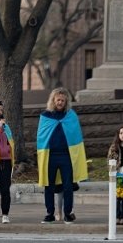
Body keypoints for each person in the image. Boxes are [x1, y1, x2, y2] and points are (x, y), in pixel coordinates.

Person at [36, 87, 88, 223]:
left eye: (63, 101)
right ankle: (49, 214)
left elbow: (76, 136)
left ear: (66, 102)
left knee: (68, 185)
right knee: (49, 185)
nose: (60, 103)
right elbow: (41, 138)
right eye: (58, 100)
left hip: (66, 155)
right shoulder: (45, 116)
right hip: (50, 155)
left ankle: (68, 213)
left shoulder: (71, 116)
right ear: (53, 100)